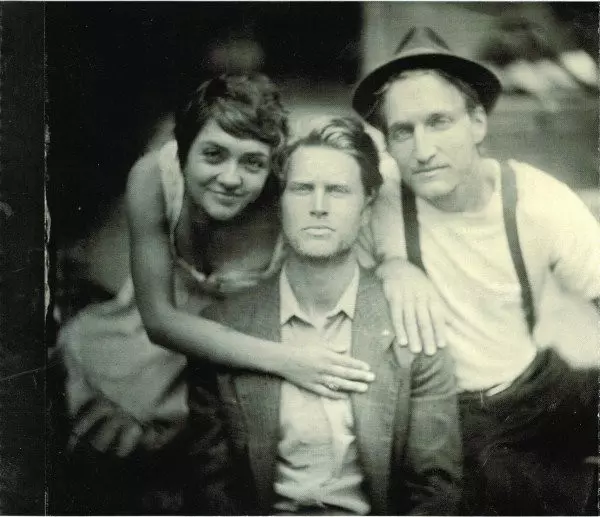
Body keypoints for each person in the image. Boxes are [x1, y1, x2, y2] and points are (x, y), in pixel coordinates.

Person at [56, 73, 443, 512]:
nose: (230, 178)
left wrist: (395, 260)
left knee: (255, 436)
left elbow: (377, 165)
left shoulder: (289, 181)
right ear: (183, 149)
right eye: (213, 155)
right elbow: (159, 321)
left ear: (273, 165)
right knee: (122, 445)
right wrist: (288, 360)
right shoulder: (152, 178)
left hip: (248, 323)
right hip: (169, 334)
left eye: (252, 163)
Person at [352, 26, 600, 515]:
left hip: (537, 382)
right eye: (403, 131)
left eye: (439, 122)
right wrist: (391, 266)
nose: (423, 149)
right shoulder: (376, 204)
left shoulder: (534, 198)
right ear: (388, 144)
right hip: (458, 414)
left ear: (478, 123)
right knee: (503, 483)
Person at [186, 117, 462, 515]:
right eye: (302, 189)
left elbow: (435, 489)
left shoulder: (411, 324)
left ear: (366, 209)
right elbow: (210, 490)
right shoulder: (222, 327)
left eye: (337, 191)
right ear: (279, 204)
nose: (318, 207)